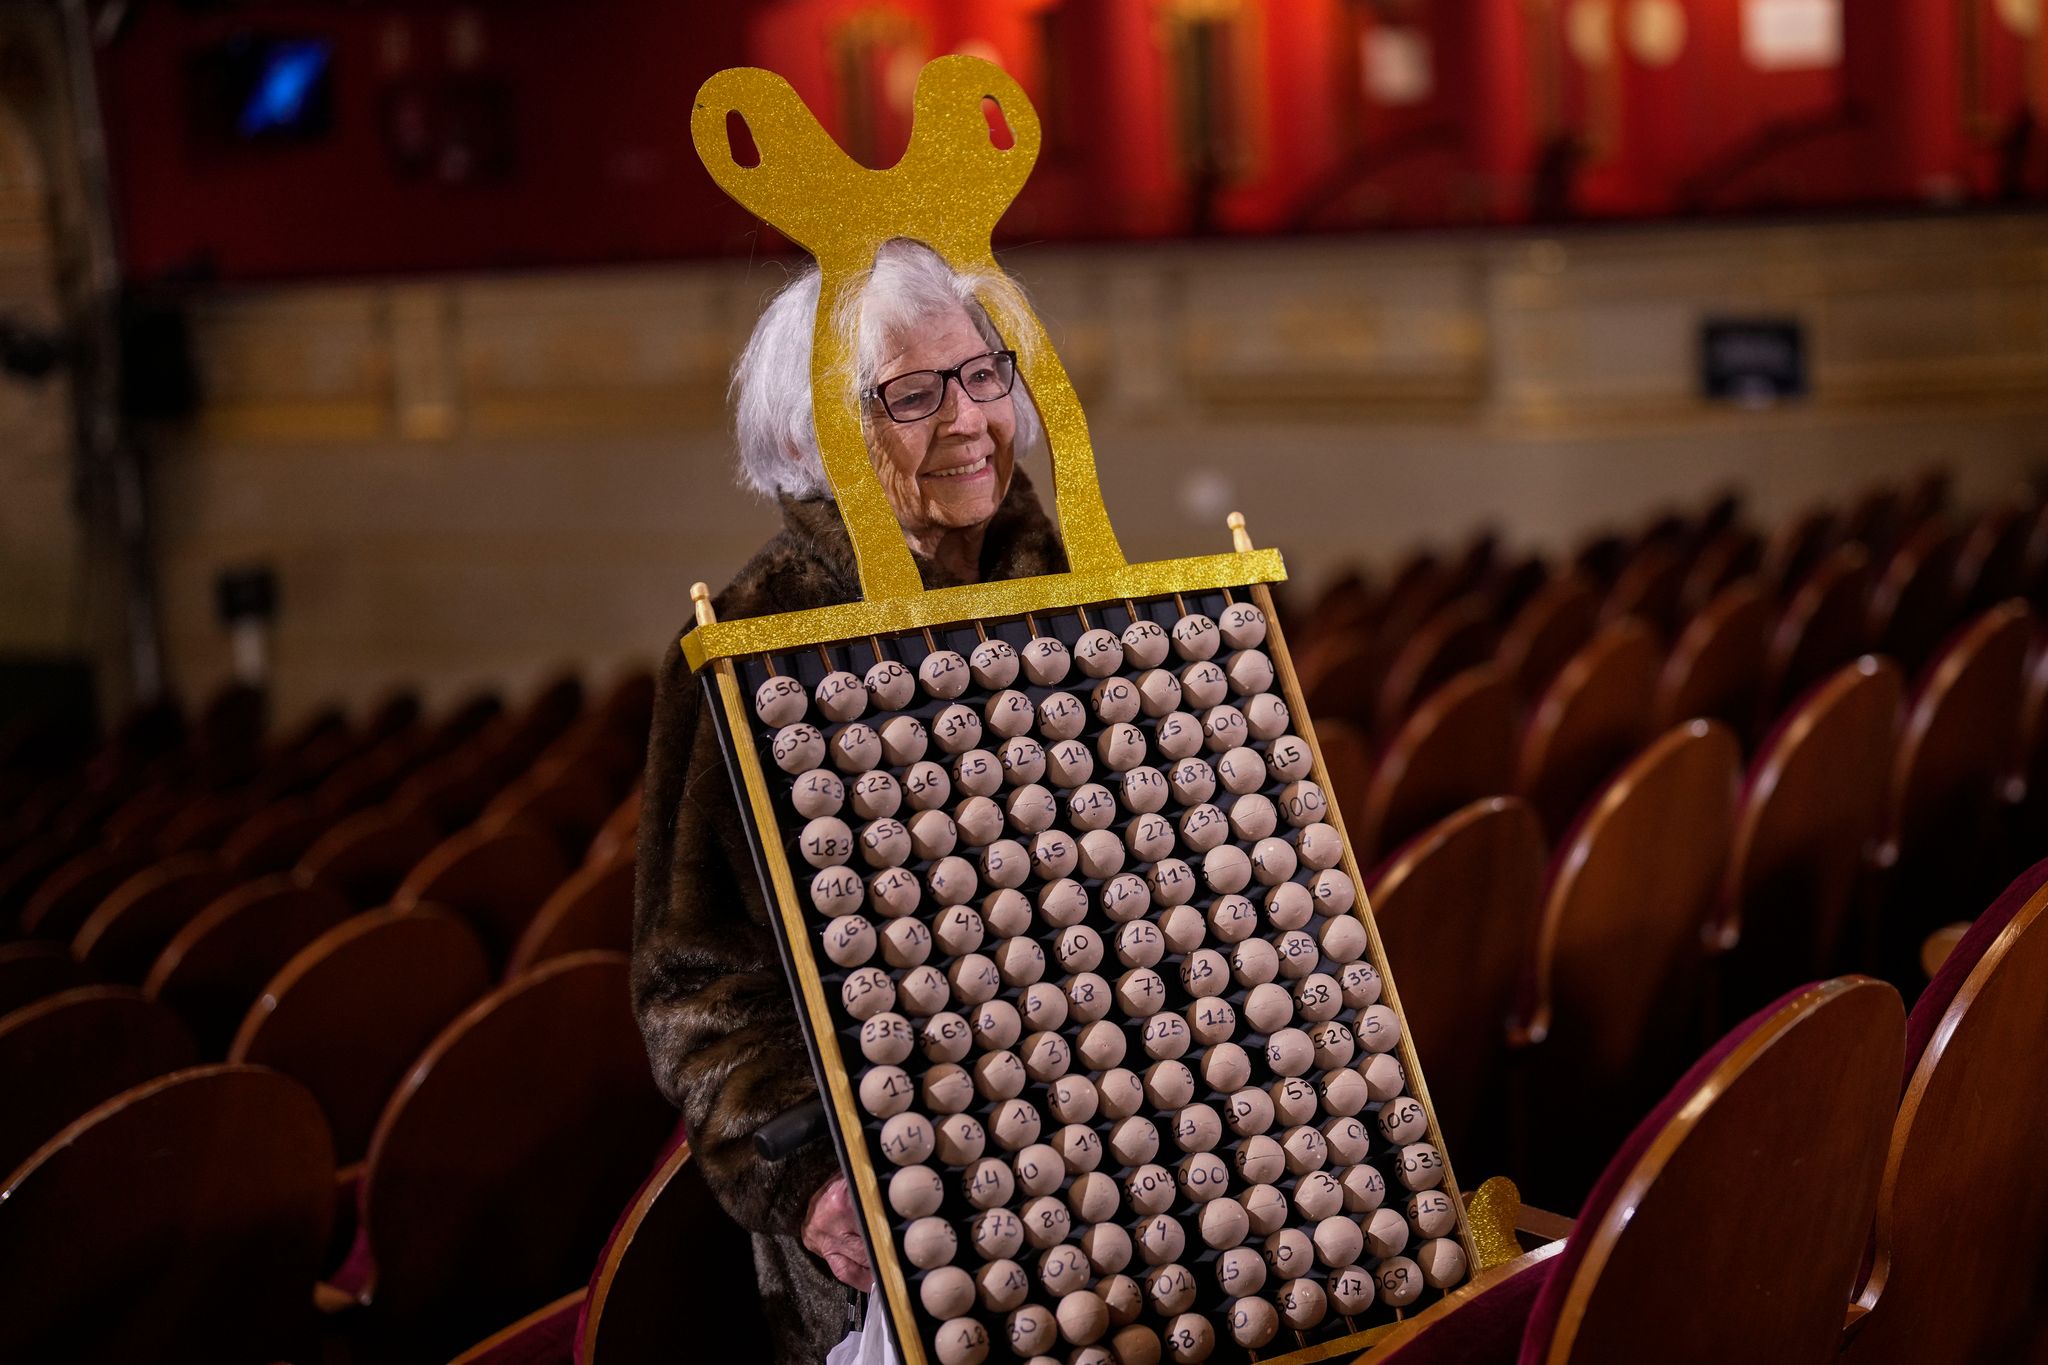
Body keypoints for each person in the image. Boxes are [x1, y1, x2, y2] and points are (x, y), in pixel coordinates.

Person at [631, 238, 1068, 1362]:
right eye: (911, 396)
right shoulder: (744, 648)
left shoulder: (1070, 593)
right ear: (810, 436)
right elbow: (696, 983)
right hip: (896, 1210)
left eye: (983, 376)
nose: (968, 421)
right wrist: (809, 1186)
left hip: (1104, 1153)